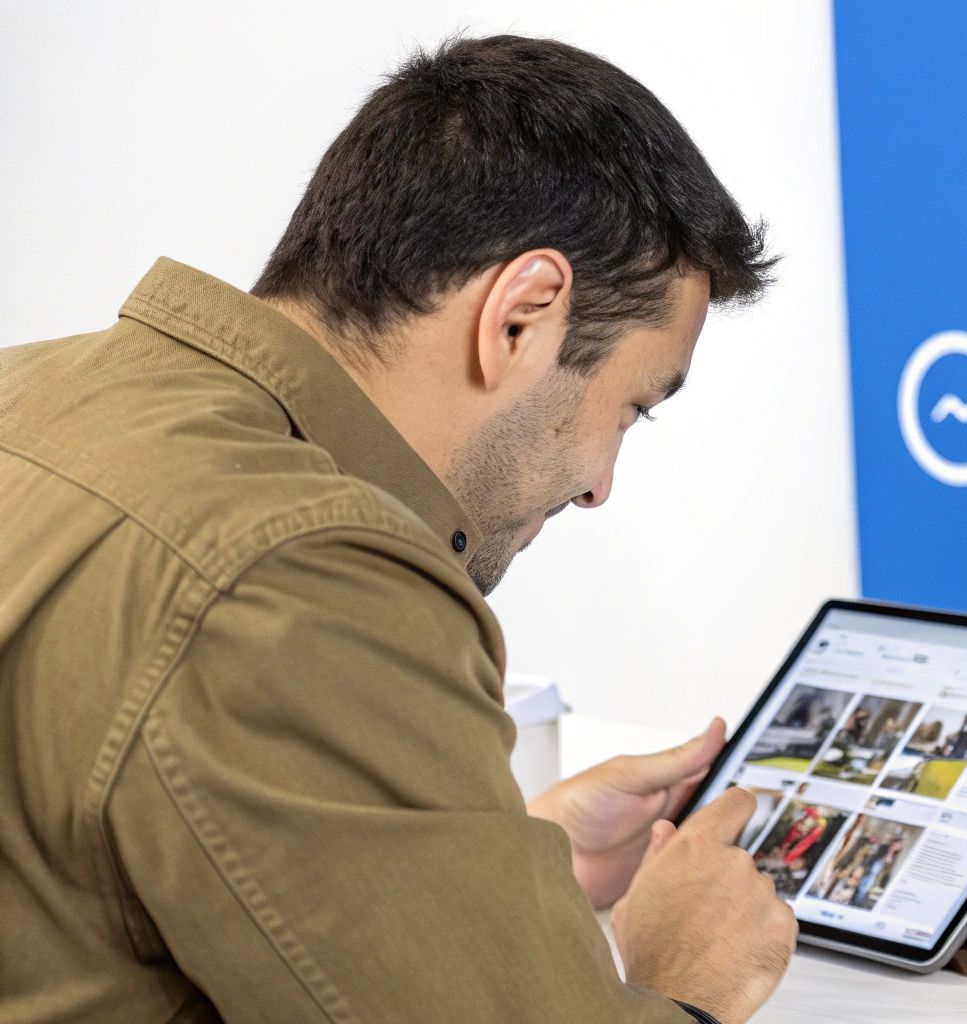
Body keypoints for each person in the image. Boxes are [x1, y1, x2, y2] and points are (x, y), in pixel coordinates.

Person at [0, 35, 798, 1024]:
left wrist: (476, 859)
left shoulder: (26, 395)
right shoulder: (296, 568)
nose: (599, 486)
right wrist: (685, 973)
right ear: (521, 316)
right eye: (631, 406)